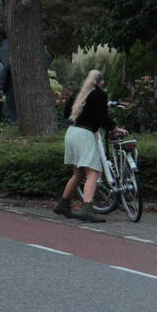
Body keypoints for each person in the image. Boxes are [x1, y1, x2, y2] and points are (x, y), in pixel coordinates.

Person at [55, 70, 126, 222]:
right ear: (100, 82)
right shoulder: (100, 95)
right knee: (93, 173)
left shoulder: (79, 93)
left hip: (72, 132)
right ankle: (87, 209)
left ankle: (63, 204)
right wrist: (114, 128)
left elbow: (67, 112)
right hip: (85, 135)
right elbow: (101, 117)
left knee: (78, 173)